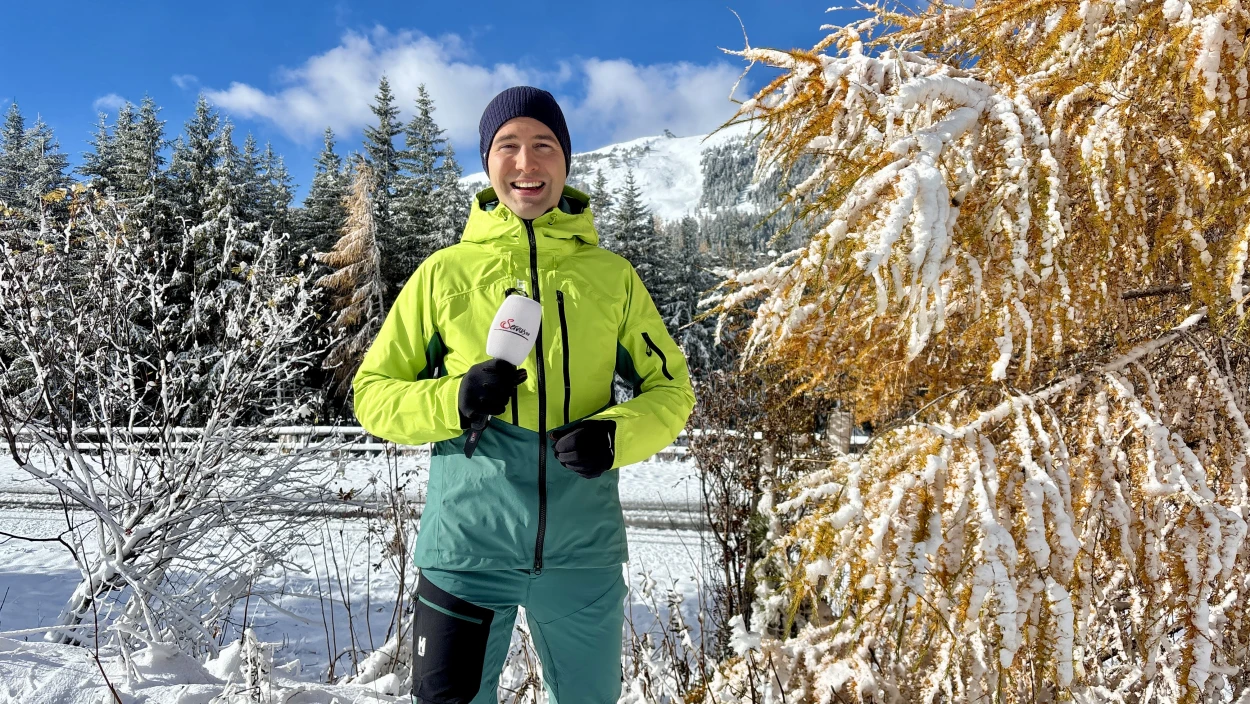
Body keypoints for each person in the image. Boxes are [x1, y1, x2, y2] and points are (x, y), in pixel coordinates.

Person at [352, 86, 695, 704]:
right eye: (508, 146)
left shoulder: (612, 278)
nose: (526, 163)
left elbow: (671, 389)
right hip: (466, 550)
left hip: (582, 554)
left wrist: (615, 435)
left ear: (566, 159)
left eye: (544, 145)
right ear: (488, 162)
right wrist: (453, 400)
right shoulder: (443, 275)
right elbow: (372, 394)